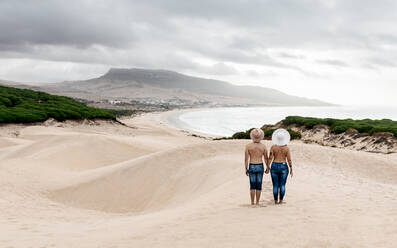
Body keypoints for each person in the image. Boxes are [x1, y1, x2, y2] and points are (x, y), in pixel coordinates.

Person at [267, 128, 293, 205]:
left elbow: (270, 158)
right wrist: (291, 168)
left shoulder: (273, 147)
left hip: (274, 165)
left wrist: (268, 166)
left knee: (275, 185)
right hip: (284, 165)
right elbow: (289, 159)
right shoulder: (286, 148)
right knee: (282, 185)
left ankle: (275, 201)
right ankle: (281, 200)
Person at [244, 128, 268, 205]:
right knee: (259, 185)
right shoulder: (263, 146)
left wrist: (246, 168)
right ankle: (257, 202)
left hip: (252, 165)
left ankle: (252, 202)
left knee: (252, 185)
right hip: (260, 165)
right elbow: (266, 158)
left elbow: (246, 159)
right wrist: (268, 167)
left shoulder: (248, 146)